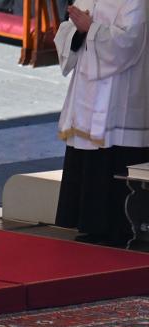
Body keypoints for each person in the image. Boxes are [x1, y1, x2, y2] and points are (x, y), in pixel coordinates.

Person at [54, 0, 149, 246]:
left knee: (110, 158)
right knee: (88, 155)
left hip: (118, 94)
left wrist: (91, 28)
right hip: (87, 86)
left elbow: (129, 43)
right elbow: (67, 31)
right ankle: (88, 222)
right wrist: (77, 29)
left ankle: (116, 227)